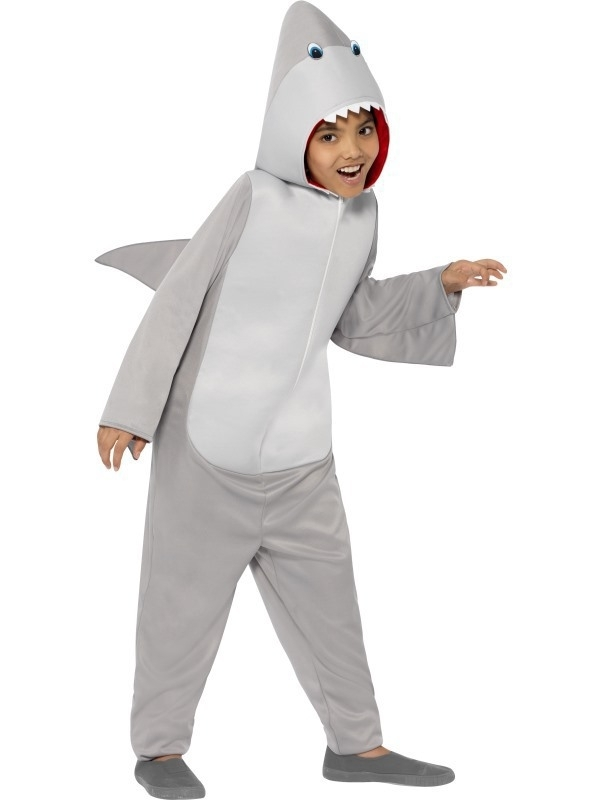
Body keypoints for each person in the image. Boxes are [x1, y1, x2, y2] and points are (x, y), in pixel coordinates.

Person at [96, 2, 506, 797]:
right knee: (180, 607)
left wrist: (441, 283)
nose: (353, 152)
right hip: (207, 450)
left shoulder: (363, 215)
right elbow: (179, 297)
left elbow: (356, 315)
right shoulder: (251, 197)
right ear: (293, 134)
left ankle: (357, 746)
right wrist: (129, 410)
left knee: (331, 609)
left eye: (364, 130)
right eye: (330, 134)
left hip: (301, 458)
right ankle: (159, 750)